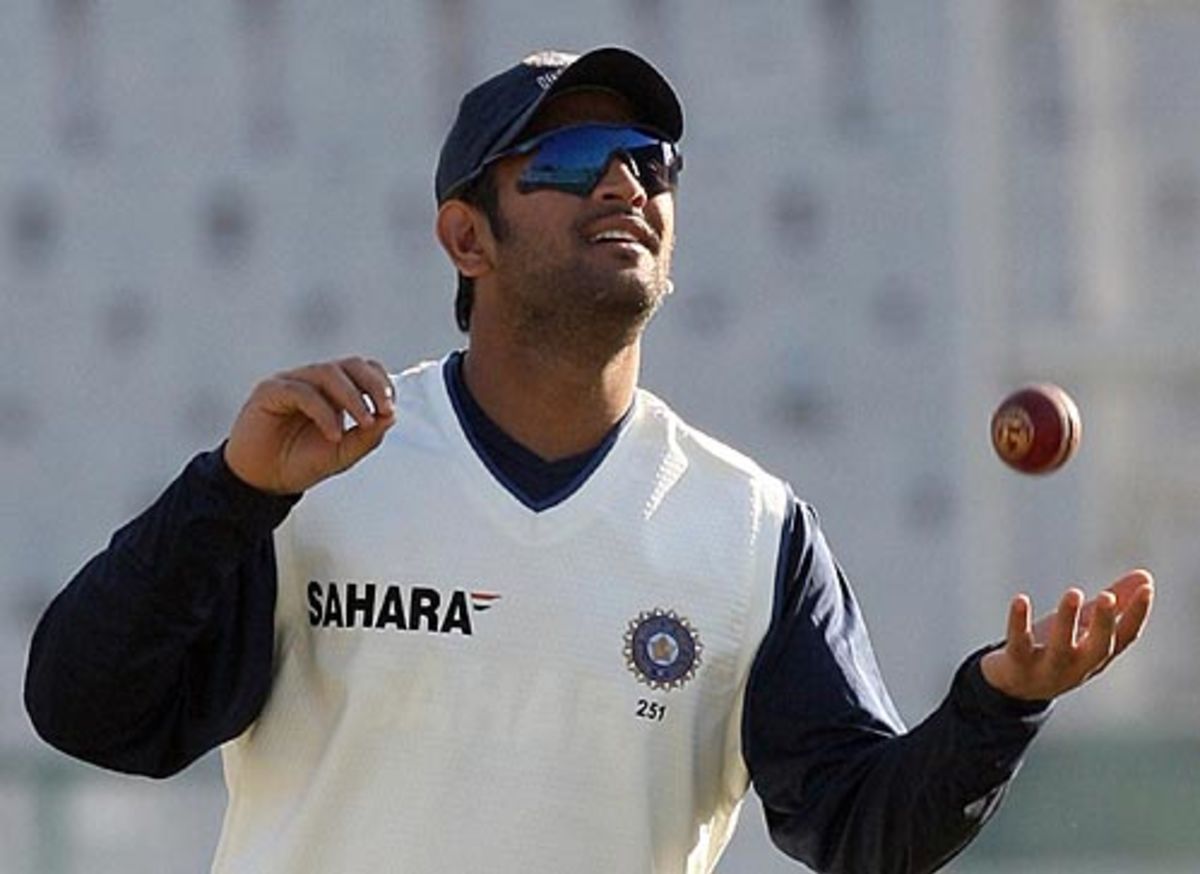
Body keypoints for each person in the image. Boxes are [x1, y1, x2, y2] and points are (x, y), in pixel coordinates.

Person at [24, 47, 1154, 874]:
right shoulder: (323, 470)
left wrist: (997, 705)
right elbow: (87, 710)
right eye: (568, 159)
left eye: (648, 163)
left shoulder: (747, 524)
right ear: (468, 237)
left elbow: (861, 829)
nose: (625, 186)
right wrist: (231, 490)